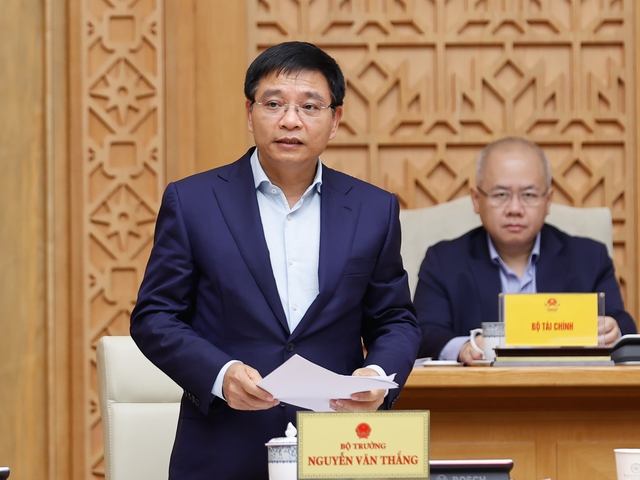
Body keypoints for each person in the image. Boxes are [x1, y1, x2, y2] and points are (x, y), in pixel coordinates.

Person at [130, 41, 421, 480]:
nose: (290, 120)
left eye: (310, 106)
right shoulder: (192, 202)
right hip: (223, 445)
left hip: (339, 444)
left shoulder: (373, 208)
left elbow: (396, 319)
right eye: (274, 104)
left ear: (335, 120)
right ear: (250, 114)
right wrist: (220, 374)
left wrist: (377, 375)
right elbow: (155, 316)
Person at [414, 136, 637, 364]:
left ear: (548, 200)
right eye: (501, 195)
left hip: (566, 383)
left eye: (528, 195)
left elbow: (625, 327)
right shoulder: (443, 261)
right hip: (480, 385)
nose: (515, 208)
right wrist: (463, 348)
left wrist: (613, 332)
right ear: (476, 199)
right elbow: (423, 333)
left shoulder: (589, 258)